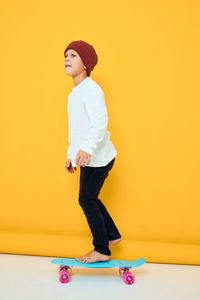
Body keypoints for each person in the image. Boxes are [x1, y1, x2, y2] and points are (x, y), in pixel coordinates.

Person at [64, 40, 121, 263]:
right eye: (66, 55)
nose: (67, 59)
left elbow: (100, 123)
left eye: (73, 55)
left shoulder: (92, 89)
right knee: (89, 198)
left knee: (86, 200)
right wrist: (71, 155)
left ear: (86, 63)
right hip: (88, 159)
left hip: (100, 157)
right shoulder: (74, 94)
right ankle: (112, 236)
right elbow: (75, 130)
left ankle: (102, 250)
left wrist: (87, 148)